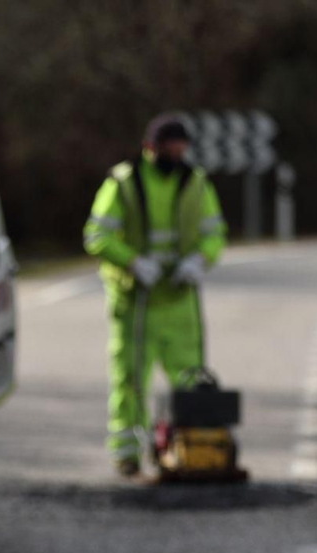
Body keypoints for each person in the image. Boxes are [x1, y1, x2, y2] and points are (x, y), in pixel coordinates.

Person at [83, 114, 227, 477]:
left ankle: (188, 450)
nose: (176, 155)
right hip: (135, 303)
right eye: (169, 149)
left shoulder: (196, 183)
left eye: (181, 149)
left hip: (179, 301)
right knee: (129, 381)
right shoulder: (124, 183)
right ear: (150, 148)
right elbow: (97, 236)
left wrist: (200, 259)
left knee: (191, 379)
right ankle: (128, 452)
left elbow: (214, 231)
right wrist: (132, 263)